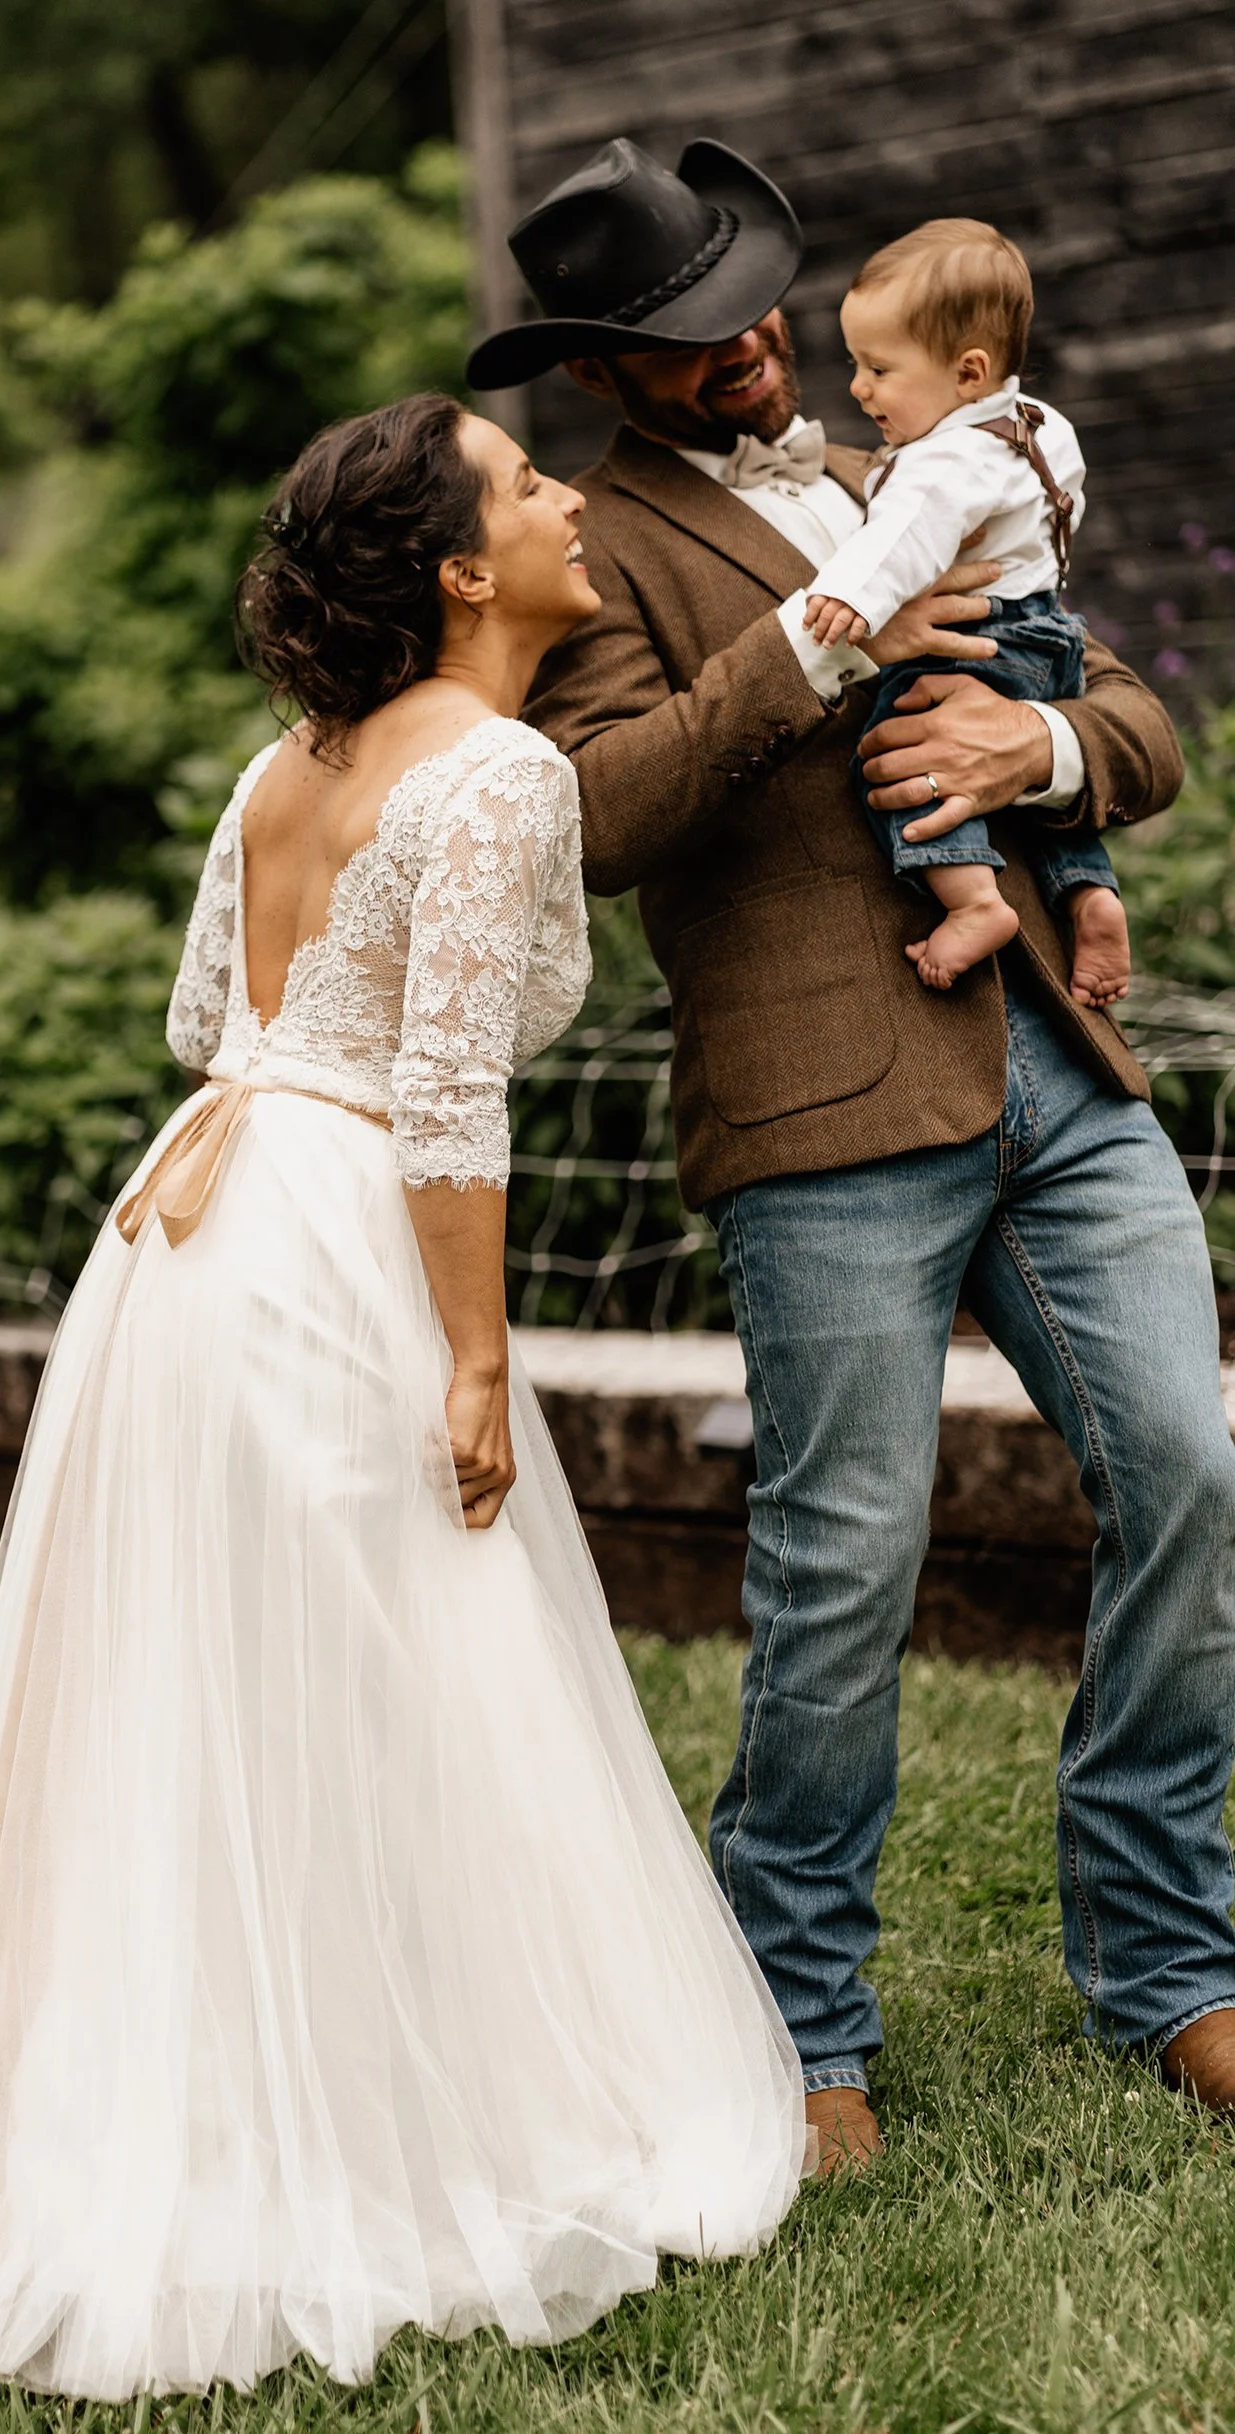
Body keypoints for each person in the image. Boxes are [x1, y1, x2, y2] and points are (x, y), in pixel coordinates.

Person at [0, 391, 807, 2404]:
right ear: (452, 565)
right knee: (414, 1663)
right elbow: (445, 1098)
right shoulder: (496, 769)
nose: (565, 500)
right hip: (335, 1235)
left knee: (227, 1682)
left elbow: (198, 1021)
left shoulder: (284, 765)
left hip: (181, 1240)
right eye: (523, 486)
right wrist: (483, 1350)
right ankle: (424, 2120)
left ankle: (205, 2091)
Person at [469, 136, 1235, 2171]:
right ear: (605, 377)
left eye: (743, 306)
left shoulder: (927, 456)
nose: (739, 348)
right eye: (679, 337)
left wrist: (1036, 752)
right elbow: (606, 806)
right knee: (841, 1573)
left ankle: (1169, 1962)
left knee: (1193, 1469)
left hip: (1057, 1083)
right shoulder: (591, 549)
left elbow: (1141, 721)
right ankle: (798, 2015)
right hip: (821, 1121)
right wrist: (814, 638)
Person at [802, 217, 1128, 1000]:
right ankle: (1091, 893)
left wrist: (850, 594)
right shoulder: (1038, 425)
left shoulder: (941, 460)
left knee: (898, 754)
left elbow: (904, 537)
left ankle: (972, 900)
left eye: (878, 368)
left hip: (975, 637)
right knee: (1022, 787)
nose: (857, 387)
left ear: (969, 370)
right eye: (855, 364)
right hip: (1048, 633)